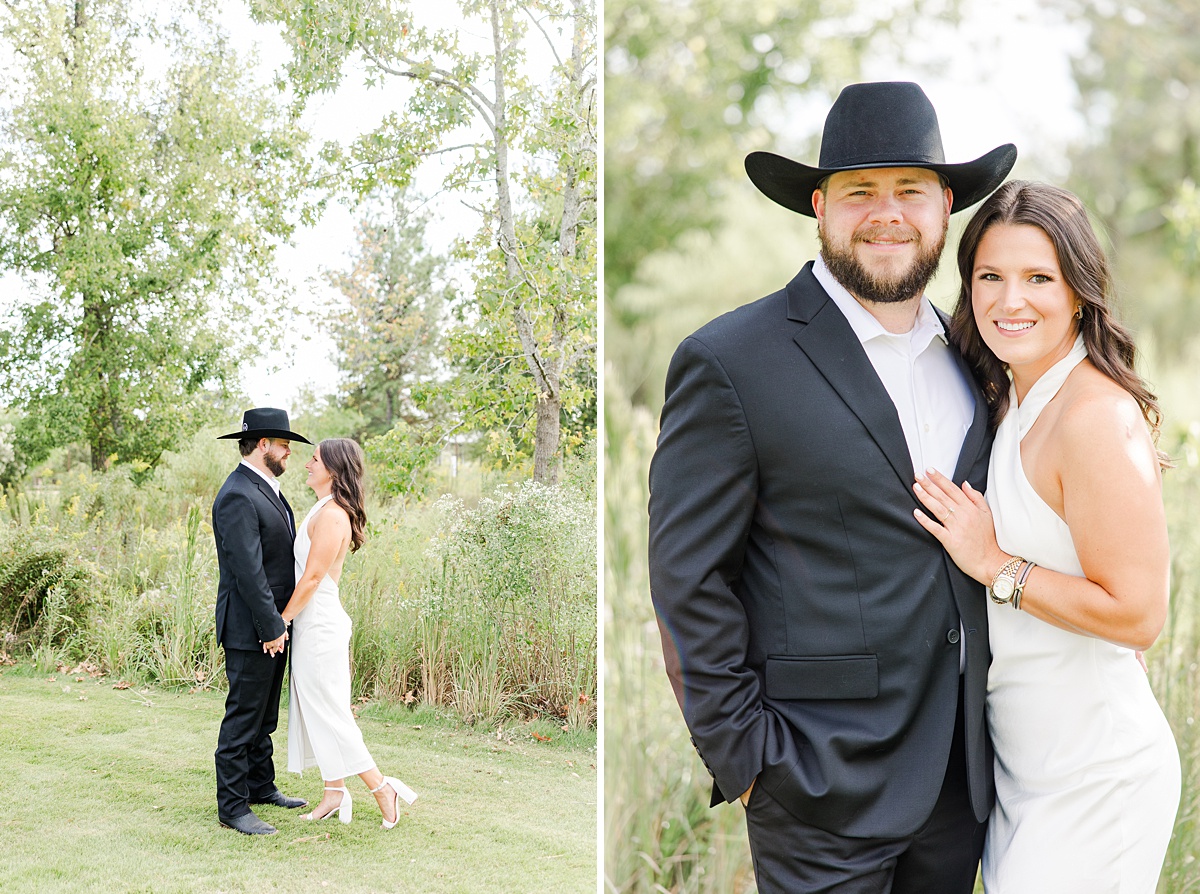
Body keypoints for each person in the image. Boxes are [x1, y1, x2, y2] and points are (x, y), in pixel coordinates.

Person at [647, 80, 1017, 892]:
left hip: (960, 790)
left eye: (910, 191)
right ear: (820, 205)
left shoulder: (978, 356)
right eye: (860, 192)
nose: (887, 212)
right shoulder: (733, 361)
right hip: (813, 793)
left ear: (945, 205)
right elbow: (688, 581)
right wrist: (746, 761)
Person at [911, 180, 1180, 893]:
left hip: (1097, 778)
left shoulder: (1095, 415)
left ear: (1079, 291)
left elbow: (1139, 615)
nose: (1010, 300)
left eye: (1038, 278)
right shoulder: (1015, 401)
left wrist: (995, 563)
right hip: (1026, 776)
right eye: (990, 277)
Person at [280, 438, 418, 828]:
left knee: (331, 711)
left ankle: (381, 787)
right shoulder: (323, 507)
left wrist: (282, 620)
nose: (307, 463)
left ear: (334, 470)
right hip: (312, 624)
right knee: (317, 708)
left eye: (315, 459)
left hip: (319, 624)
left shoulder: (334, 516)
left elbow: (312, 578)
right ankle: (334, 791)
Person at [212, 407, 312, 835]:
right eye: (285, 444)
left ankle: (261, 787)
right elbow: (248, 572)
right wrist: (271, 625)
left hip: (272, 623)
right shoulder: (238, 493)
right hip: (251, 626)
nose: (289, 452)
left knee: (264, 715)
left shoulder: (265, 488)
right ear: (263, 445)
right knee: (243, 716)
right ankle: (233, 807)